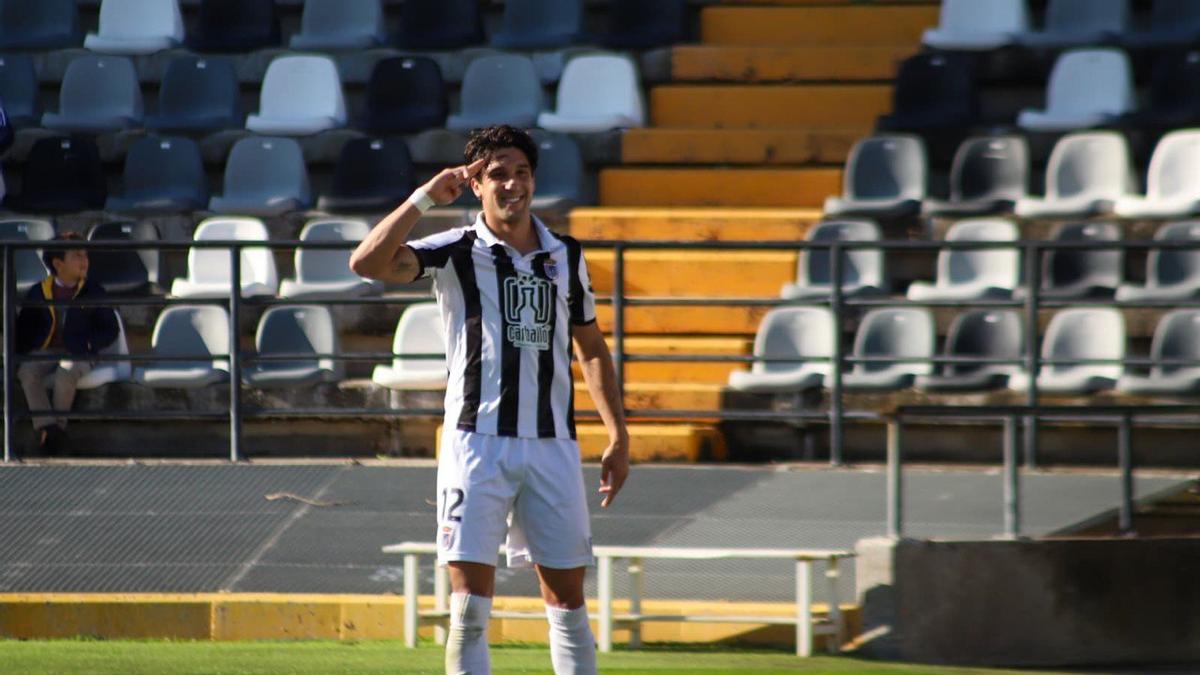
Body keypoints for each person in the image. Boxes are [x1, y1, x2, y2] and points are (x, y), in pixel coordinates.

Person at [351, 125, 629, 675]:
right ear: (476, 184)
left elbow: (591, 347)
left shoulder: (565, 255)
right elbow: (367, 263)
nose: (512, 184)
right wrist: (425, 197)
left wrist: (618, 434)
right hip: (475, 444)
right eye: (497, 173)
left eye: (521, 172)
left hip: (552, 445)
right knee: (470, 609)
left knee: (569, 605)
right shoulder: (456, 249)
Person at [15, 232, 119, 456]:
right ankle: (49, 430)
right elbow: (25, 328)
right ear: (58, 263)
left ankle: (54, 434)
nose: (84, 261)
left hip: (79, 352)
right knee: (27, 372)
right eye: (77, 256)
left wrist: (90, 344)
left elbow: (110, 328)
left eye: (86, 255)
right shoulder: (38, 292)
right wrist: (26, 350)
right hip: (45, 351)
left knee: (67, 370)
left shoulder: (93, 291)